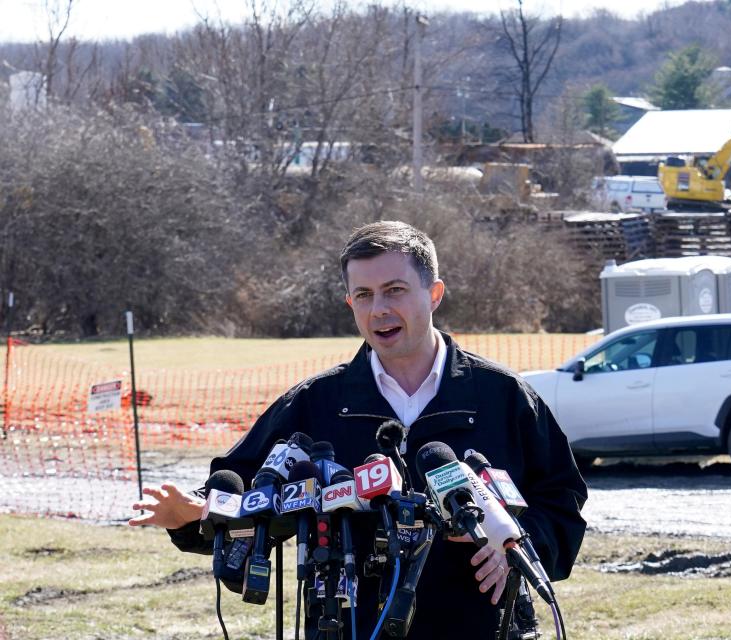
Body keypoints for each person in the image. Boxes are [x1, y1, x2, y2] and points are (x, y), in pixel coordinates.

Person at [129, 220, 588, 639]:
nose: (379, 309)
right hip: (348, 626)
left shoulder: (502, 396)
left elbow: (561, 502)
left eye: (394, 290)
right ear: (349, 301)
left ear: (434, 294)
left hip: (481, 626)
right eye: (364, 295)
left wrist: (519, 546)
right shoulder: (314, 403)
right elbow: (244, 492)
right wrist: (194, 517)